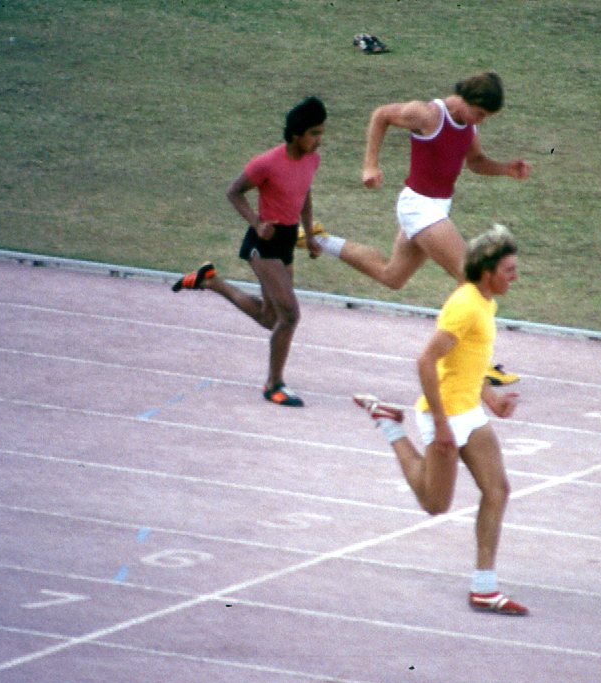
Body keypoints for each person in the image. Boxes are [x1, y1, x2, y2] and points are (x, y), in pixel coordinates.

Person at [353, 224, 528, 616]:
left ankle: (484, 588)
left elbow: (470, 357)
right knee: (435, 505)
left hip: (470, 411)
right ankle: (390, 426)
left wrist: (491, 398)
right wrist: (443, 426)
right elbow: (426, 360)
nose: (515, 277)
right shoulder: (465, 305)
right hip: (444, 414)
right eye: (509, 270)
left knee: (497, 490)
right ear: (487, 272)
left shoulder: (486, 302)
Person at [314, 72, 530, 386]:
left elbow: (476, 162)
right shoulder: (428, 114)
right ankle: (474, 361)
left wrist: (506, 169)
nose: (480, 121)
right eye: (480, 114)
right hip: (418, 205)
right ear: (468, 101)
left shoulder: (468, 127)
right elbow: (381, 115)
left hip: (437, 208)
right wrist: (370, 164)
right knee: (472, 276)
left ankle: (319, 239)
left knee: (392, 276)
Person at [171, 96, 327, 408]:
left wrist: (309, 235)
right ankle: (274, 384)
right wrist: (256, 224)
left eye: (322, 132)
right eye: (314, 133)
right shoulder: (267, 162)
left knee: (272, 319)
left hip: (285, 242)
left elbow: (305, 194)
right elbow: (234, 191)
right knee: (291, 315)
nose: (319, 139)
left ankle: (210, 281)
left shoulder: (312, 160)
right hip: (264, 244)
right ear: (296, 134)